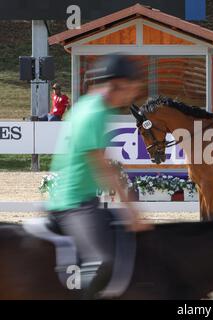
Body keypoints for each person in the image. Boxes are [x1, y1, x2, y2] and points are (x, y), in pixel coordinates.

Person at [46, 55, 151, 299]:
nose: (133, 94)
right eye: (132, 88)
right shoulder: (95, 114)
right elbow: (101, 166)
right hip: (74, 202)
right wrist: (131, 210)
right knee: (106, 261)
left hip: (80, 198)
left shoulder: (88, 104)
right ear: (118, 84)